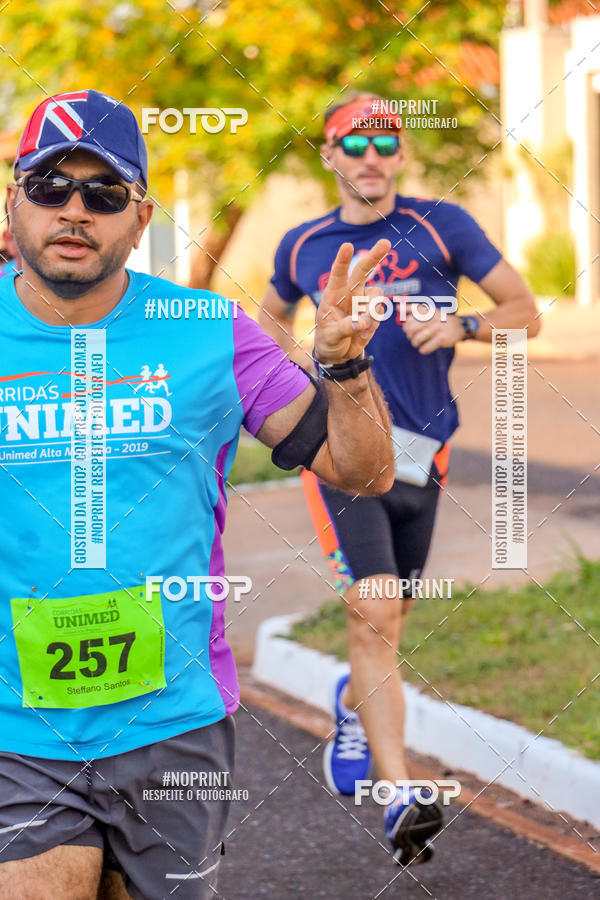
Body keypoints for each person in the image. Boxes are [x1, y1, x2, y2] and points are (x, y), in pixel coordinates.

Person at [0, 89, 394, 900]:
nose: (75, 211)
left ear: (140, 219)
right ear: (15, 201)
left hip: (176, 721)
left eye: (103, 194)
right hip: (18, 728)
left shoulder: (209, 328)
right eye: (50, 187)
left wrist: (348, 368)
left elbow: (363, 472)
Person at [258, 92, 541, 865]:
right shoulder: (301, 243)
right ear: (328, 156)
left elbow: (527, 308)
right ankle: (398, 796)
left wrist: (465, 324)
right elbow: (263, 323)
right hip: (343, 452)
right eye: (355, 144)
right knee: (375, 611)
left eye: (386, 141)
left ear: (403, 153)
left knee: (391, 620)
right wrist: (301, 368)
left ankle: (353, 706)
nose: (372, 156)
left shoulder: (444, 227)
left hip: (425, 451)